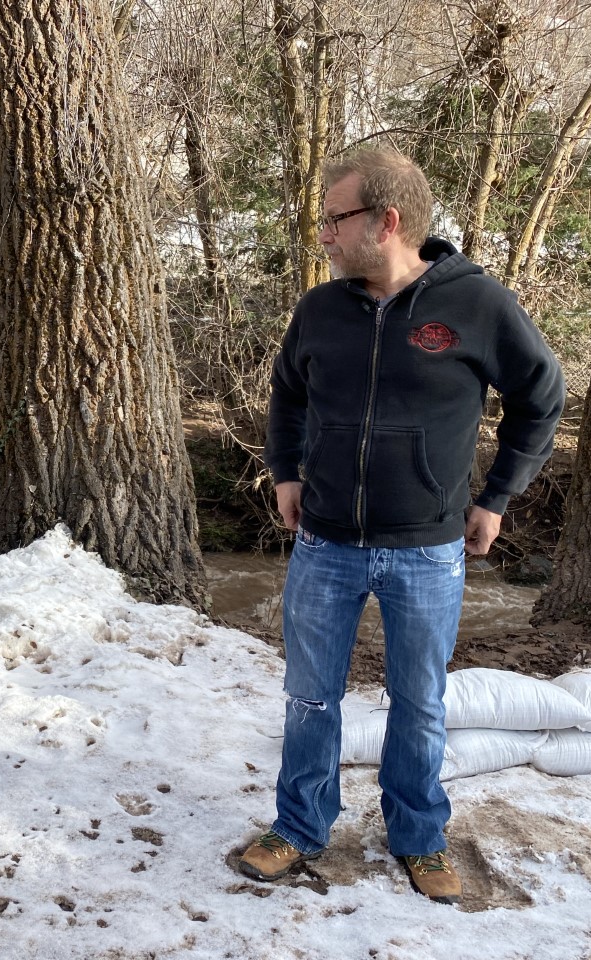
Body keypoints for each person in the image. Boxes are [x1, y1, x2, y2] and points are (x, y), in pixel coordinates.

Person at [237, 146, 564, 905]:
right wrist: (285, 471)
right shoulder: (320, 309)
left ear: (386, 221)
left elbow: (541, 398)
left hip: (427, 548)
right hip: (324, 542)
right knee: (310, 697)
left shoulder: (478, 304)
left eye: (335, 219)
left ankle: (418, 835)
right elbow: (287, 395)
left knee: (419, 703)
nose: (323, 233)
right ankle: (299, 826)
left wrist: (497, 496)